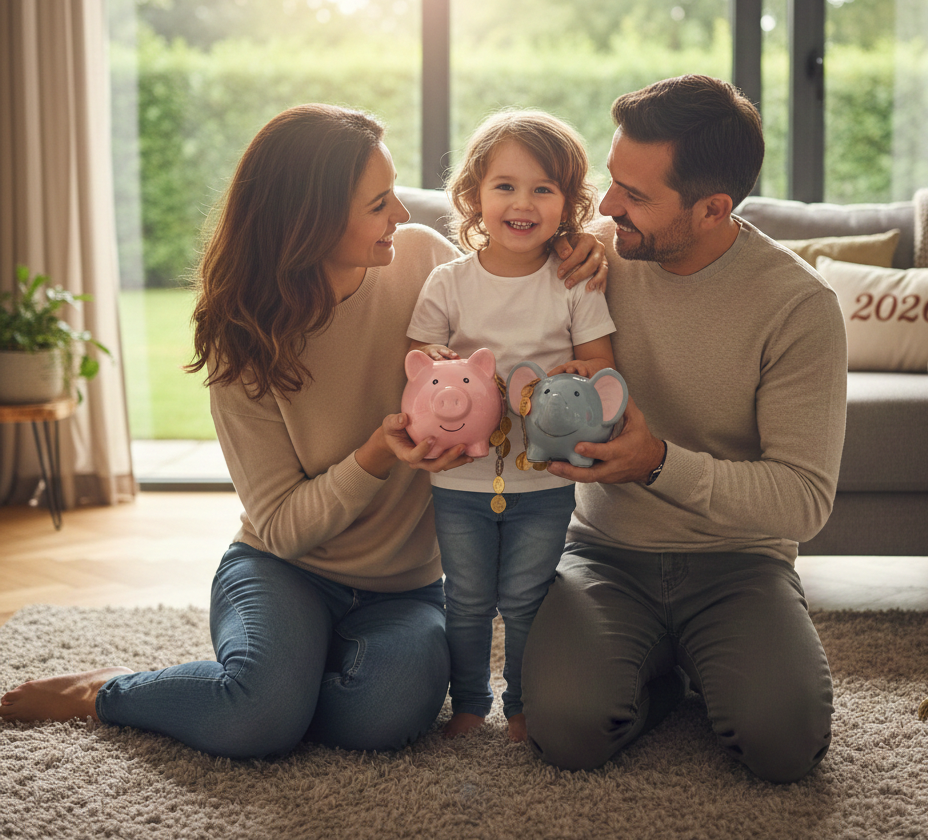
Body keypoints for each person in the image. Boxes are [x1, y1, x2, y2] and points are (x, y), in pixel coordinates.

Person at [0, 103, 605, 758]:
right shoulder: (244, 345)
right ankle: (110, 691)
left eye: (395, 193)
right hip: (284, 570)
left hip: (403, 585)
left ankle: (278, 683)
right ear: (310, 222)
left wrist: (581, 246)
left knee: (386, 718)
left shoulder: (427, 263)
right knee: (255, 721)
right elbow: (283, 525)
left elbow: (517, 283)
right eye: (379, 203)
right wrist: (376, 455)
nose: (402, 216)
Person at [520, 75, 848, 784]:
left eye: (634, 196)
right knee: (567, 731)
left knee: (784, 745)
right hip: (606, 553)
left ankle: (700, 666)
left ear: (712, 208)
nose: (607, 207)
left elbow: (803, 502)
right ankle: (668, 684)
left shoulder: (798, 307)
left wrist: (658, 464)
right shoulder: (595, 255)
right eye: (613, 182)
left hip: (739, 564)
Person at [406, 110, 617, 743]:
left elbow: (603, 365)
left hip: (545, 483)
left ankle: (523, 707)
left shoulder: (575, 283)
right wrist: (443, 372)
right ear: (474, 196)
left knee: (527, 600)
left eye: (543, 189)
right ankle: (470, 703)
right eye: (505, 186)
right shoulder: (449, 283)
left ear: (568, 204)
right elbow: (416, 361)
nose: (522, 203)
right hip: (460, 482)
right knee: (466, 599)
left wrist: (567, 380)